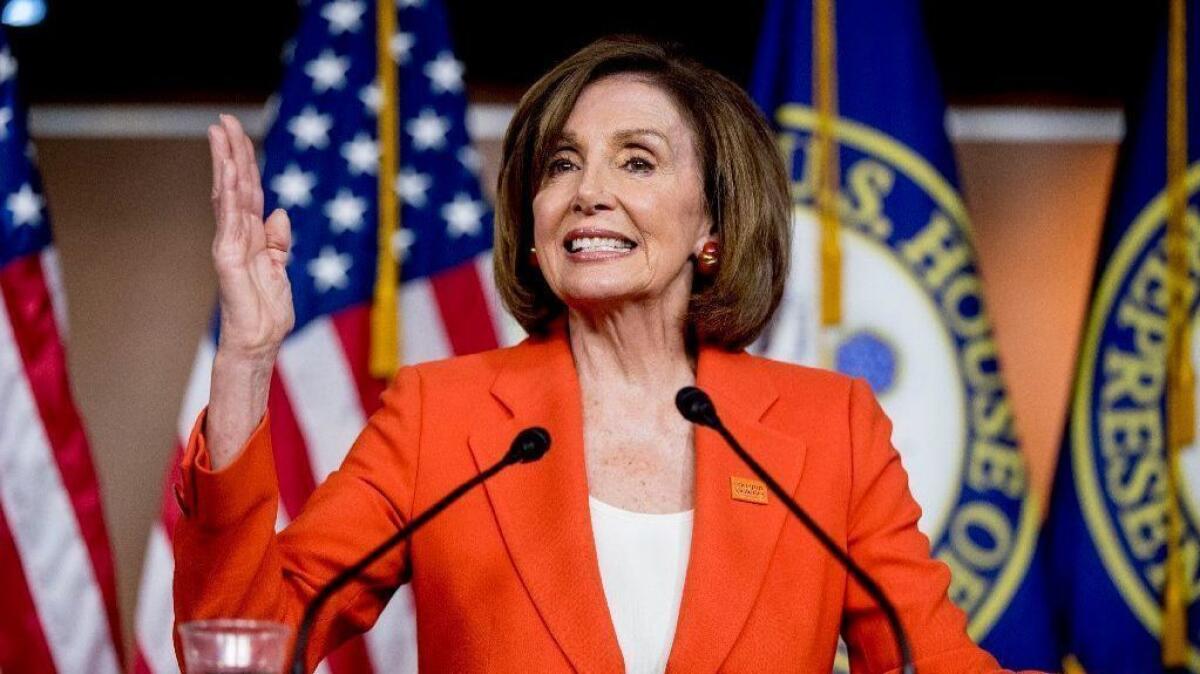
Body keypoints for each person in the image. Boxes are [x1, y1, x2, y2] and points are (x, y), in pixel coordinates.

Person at [174, 36, 1025, 673]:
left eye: (638, 161)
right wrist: (247, 358)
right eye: (562, 165)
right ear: (535, 224)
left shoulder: (828, 429)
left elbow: (932, 661)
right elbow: (250, 642)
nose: (589, 192)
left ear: (714, 229)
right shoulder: (445, 416)